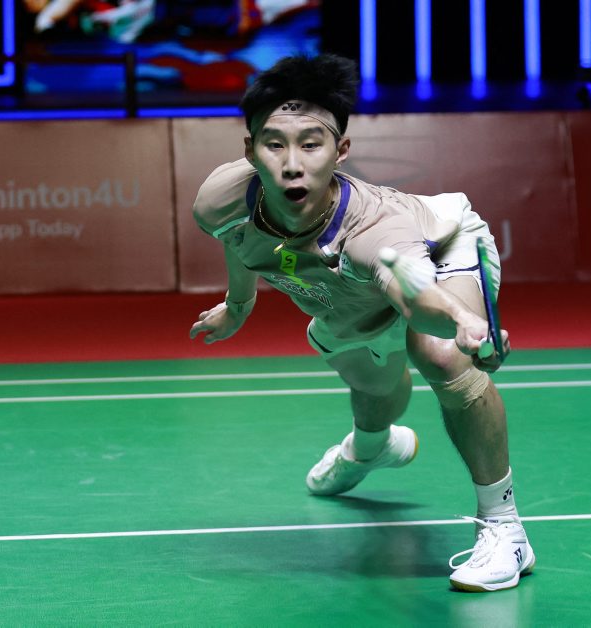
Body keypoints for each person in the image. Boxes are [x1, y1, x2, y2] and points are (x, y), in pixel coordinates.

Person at [189, 54, 535, 592]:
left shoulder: (375, 230)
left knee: (439, 355)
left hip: (438, 251)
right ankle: (372, 448)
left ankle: (505, 529)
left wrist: (465, 322)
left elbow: (418, 304)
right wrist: (238, 305)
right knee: (374, 387)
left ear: (341, 150)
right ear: (250, 150)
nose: (292, 164)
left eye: (311, 144)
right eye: (275, 144)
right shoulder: (220, 198)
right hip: (349, 297)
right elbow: (240, 237)